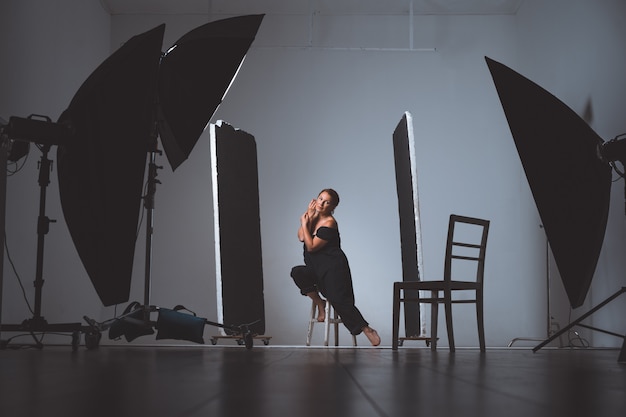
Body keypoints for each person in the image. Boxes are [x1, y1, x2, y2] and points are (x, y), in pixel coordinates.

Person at [290, 188, 381, 346]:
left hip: (333, 268)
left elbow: (310, 246)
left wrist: (304, 222)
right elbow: (300, 237)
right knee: (297, 272)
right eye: (320, 199)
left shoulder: (330, 223)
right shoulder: (312, 217)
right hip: (315, 267)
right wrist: (308, 216)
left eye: (327, 202)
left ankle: (366, 329)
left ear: (333, 207)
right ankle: (320, 304)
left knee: (339, 300)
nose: (322, 204)